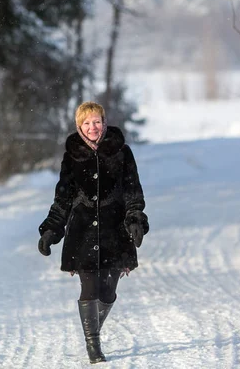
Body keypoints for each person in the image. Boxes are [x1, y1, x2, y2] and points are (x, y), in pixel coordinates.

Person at [38, 101, 149, 364]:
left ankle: (93, 330)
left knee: (108, 291)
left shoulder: (122, 152)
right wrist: (52, 230)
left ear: (104, 122)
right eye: (86, 123)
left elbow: (133, 191)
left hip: (115, 232)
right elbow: (62, 199)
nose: (92, 127)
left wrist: (134, 219)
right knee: (89, 289)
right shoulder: (72, 156)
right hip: (83, 232)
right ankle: (93, 345)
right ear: (79, 127)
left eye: (96, 121)